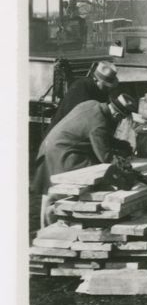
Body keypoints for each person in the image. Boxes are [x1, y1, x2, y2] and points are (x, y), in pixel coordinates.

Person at [33, 93, 137, 227]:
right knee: (68, 189)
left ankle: (46, 227)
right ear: (117, 116)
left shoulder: (92, 103)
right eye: (121, 119)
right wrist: (124, 167)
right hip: (62, 153)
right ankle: (56, 225)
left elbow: (102, 137)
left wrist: (122, 145)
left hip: (51, 145)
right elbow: (105, 157)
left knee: (49, 191)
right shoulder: (99, 124)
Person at [47, 60, 119, 132]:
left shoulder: (98, 90)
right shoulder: (81, 88)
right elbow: (81, 119)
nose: (108, 89)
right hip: (62, 133)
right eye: (106, 86)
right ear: (97, 80)